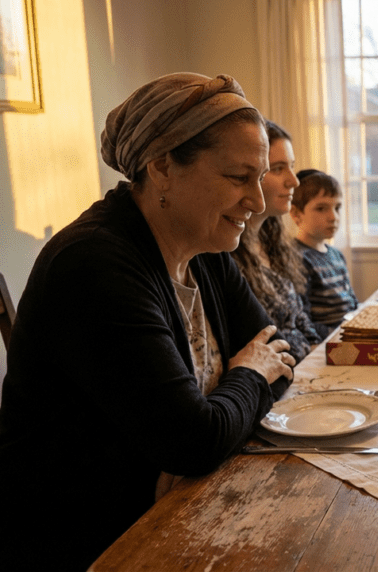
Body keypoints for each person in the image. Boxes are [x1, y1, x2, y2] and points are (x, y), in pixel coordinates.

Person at [0, 73, 296, 570]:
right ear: (162, 168)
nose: (258, 202)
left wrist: (221, 414)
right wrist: (247, 375)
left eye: (258, 176)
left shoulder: (205, 244)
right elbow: (196, 440)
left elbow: (280, 357)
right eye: (237, 177)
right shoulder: (94, 263)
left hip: (180, 507)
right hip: (92, 540)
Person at [230, 121, 322, 361]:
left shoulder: (273, 240)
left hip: (305, 366)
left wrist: (317, 351)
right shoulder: (227, 252)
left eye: (291, 166)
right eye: (278, 168)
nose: (294, 180)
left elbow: (300, 315)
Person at [290, 169, 358, 338]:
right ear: (296, 214)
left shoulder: (336, 255)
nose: (333, 217)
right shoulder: (297, 258)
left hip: (350, 332)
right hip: (329, 340)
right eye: (321, 208)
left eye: (337, 208)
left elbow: (352, 304)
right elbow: (303, 319)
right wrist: (339, 334)